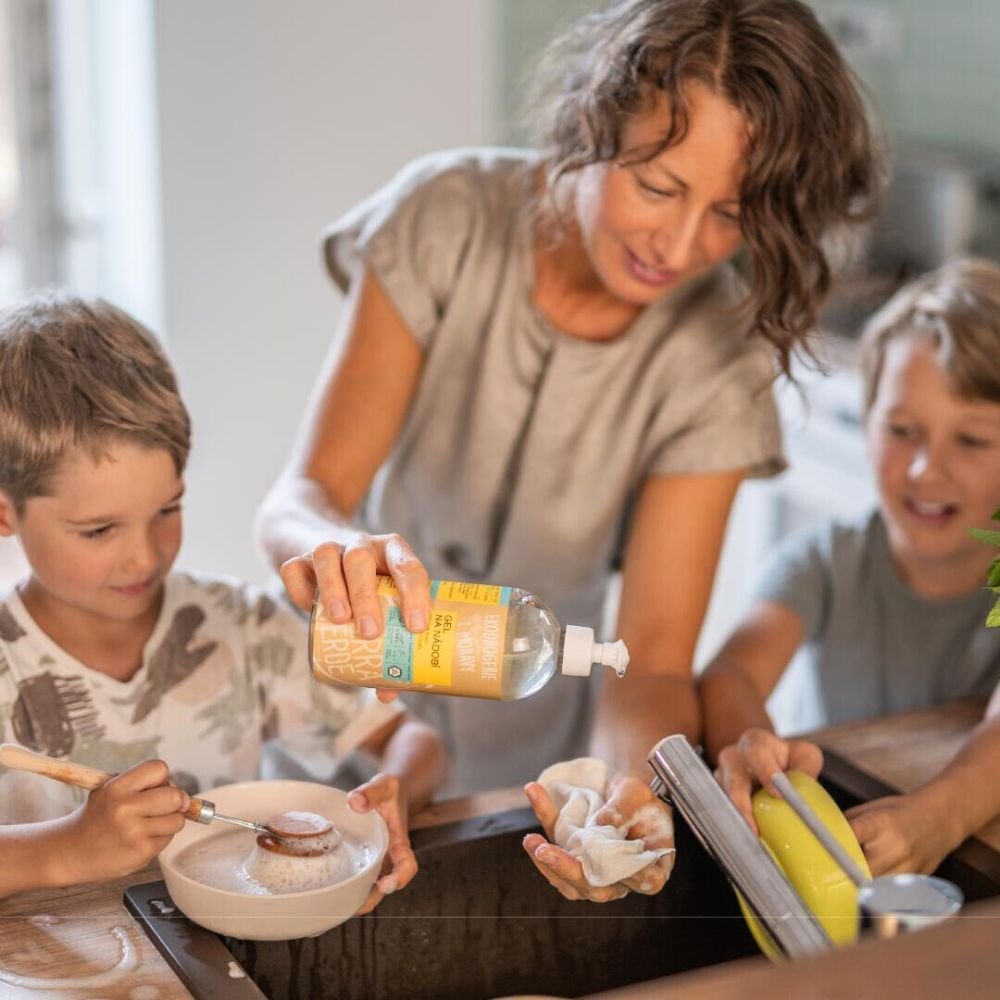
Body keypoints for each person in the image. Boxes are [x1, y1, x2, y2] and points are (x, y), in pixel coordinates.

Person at [256, 0, 880, 902]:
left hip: (526, 781)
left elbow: (650, 660)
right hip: (340, 735)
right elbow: (303, 495)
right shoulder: (446, 215)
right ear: (593, 122)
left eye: (728, 214)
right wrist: (332, 549)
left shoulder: (718, 357)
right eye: (658, 187)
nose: (681, 245)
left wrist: (629, 790)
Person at [0, 292, 446, 901]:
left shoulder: (242, 627)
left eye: (168, 509)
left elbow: (414, 740)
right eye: (99, 530)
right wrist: (65, 849)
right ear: (7, 512)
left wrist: (397, 792)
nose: (145, 556)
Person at [703, 258, 1000, 876]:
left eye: (971, 440)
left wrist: (939, 817)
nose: (925, 469)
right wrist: (751, 748)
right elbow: (731, 674)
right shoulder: (823, 562)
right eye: (901, 429)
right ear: (865, 425)